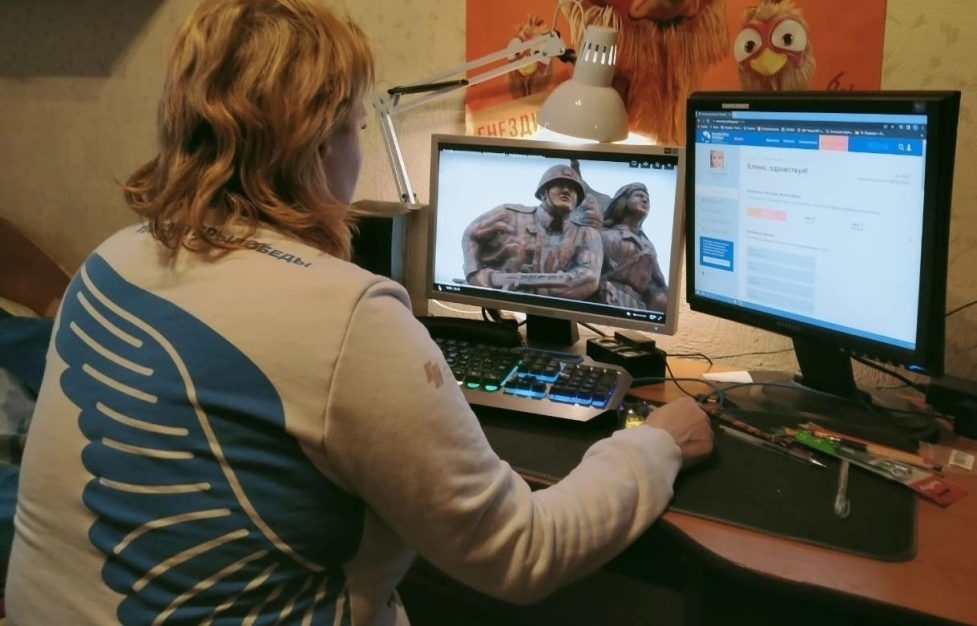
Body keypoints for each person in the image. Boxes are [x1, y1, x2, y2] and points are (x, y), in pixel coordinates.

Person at [5, 1, 714, 625]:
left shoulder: (110, 260)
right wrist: (654, 446)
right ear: (319, 146)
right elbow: (521, 554)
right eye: (354, 127)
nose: (357, 147)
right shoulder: (346, 316)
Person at [461, 165, 602, 300]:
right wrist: (474, 273)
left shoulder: (587, 234)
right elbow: (471, 235)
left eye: (573, 189)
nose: (566, 190)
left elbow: (588, 278)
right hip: (500, 301)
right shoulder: (509, 215)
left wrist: (531, 288)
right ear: (543, 192)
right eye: (559, 185)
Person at [598, 183, 670, 311]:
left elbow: (657, 285)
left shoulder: (648, 247)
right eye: (639, 195)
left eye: (647, 198)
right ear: (624, 201)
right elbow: (587, 269)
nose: (645, 200)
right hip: (605, 297)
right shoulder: (604, 235)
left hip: (636, 306)